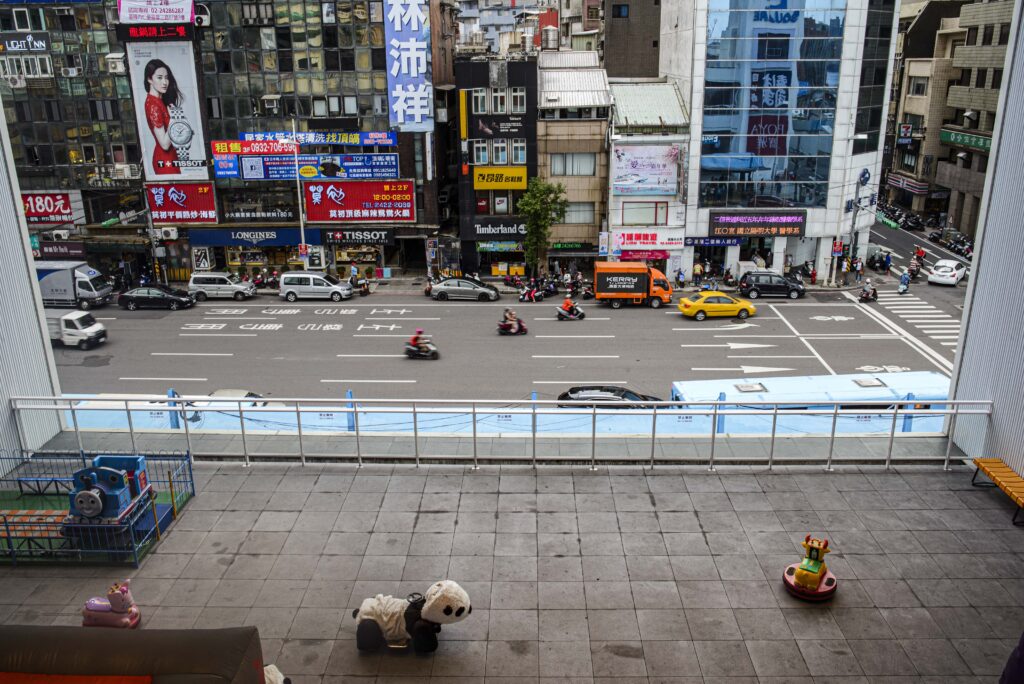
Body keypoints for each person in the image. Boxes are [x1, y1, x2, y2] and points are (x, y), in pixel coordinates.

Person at [143, 59, 183, 175]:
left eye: (166, 78)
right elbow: (165, 144)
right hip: (165, 160)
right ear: (149, 79)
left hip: (170, 158)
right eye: (159, 78)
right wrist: (174, 117)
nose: (165, 82)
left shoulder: (159, 101)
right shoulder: (153, 105)